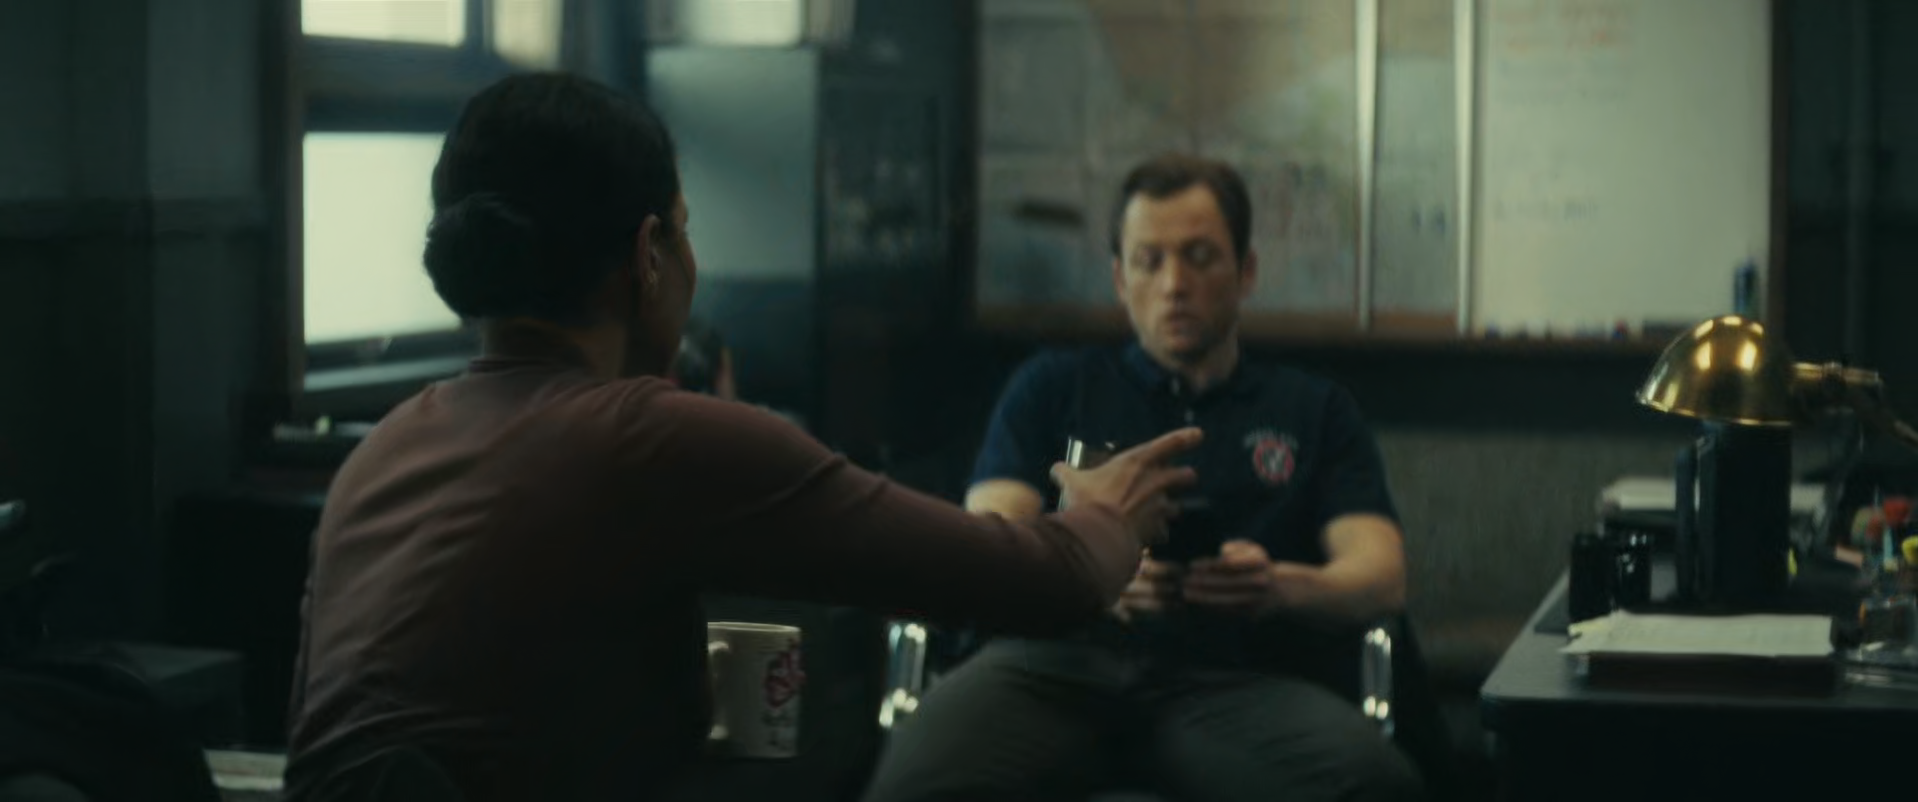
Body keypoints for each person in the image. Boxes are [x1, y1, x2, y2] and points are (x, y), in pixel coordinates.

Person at [282, 74, 1204, 802]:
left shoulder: (383, 449)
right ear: (648, 255)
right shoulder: (650, 436)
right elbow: (1036, 583)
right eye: (684, 233)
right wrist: (1106, 514)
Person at [861, 154, 1422, 802]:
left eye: (1200, 257)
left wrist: (1278, 585)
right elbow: (991, 542)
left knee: (1380, 788)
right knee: (910, 788)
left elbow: (1382, 575)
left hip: (1234, 684)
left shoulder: (1312, 409)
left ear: (1246, 271)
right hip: (1053, 670)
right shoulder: (1051, 389)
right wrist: (1090, 572)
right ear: (1120, 279)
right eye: (1149, 261)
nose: (1174, 283)